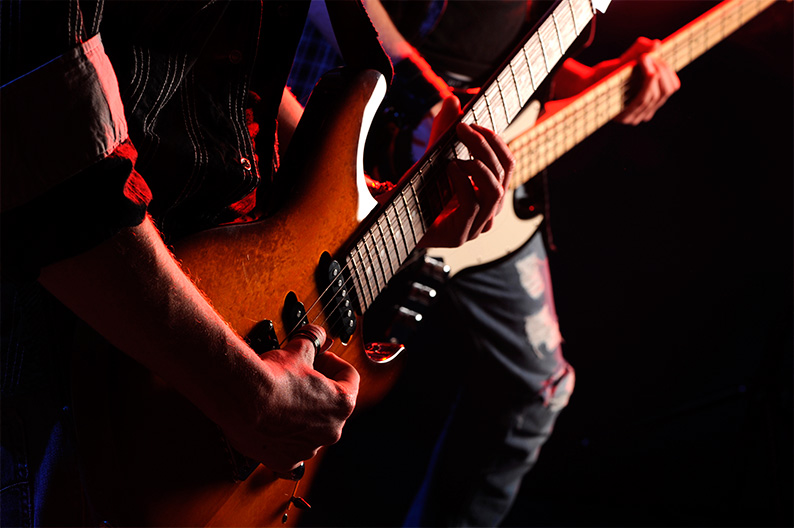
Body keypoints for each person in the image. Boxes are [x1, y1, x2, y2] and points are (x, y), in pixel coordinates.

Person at [0, 1, 514, 525]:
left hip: (207, 343)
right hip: (55, 365)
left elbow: (216, 86)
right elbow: (52, 156)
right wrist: (245, 394)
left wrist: (383, 210)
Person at [286, 1, 680, 526]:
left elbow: (498, 41)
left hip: (467, 144)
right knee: (290, 354)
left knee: (537, 389)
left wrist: (597, 83)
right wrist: (419, 99)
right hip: (335, 116)